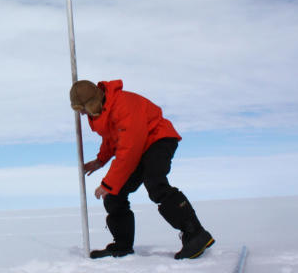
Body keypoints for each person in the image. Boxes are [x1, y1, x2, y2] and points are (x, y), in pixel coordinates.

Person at [70, 79, 214, 260]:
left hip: (158, 139)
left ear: (91, 103)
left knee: (154, 182)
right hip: (139, 147)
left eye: (82, 109)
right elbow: (112, 139)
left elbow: (128, 150)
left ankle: (196, 234)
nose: (82, 114)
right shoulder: (104, 111)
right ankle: (122, 245)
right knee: (115, 194)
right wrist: (100, 160)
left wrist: (108, 183)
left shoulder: (123, 106)